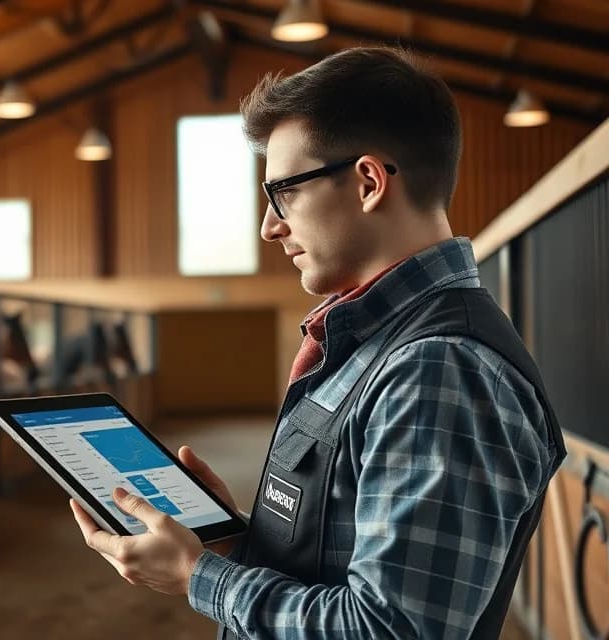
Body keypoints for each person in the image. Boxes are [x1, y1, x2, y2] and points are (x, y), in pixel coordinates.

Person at [70, 46, 566, 639]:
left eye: (285, 192)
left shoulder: (437, 368)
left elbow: (392, 630)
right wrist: (239, 536)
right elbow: (345, 541)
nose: (269, 225)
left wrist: (197, 574)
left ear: (368, 182)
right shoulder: (375, 340)